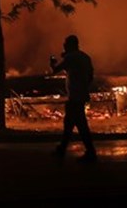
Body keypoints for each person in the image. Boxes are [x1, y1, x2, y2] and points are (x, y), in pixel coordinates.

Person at [50, 34, 97, 162]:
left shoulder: (70, 57)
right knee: (70, 124)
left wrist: (52, 63)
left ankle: (90, 152)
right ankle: (62, 149)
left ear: (71, 45)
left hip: (74, 96)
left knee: (79, 126)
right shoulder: (85, 57)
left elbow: (55, 70)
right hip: (81, 95)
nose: (63, 45)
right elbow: (91, 76)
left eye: (65, 43)